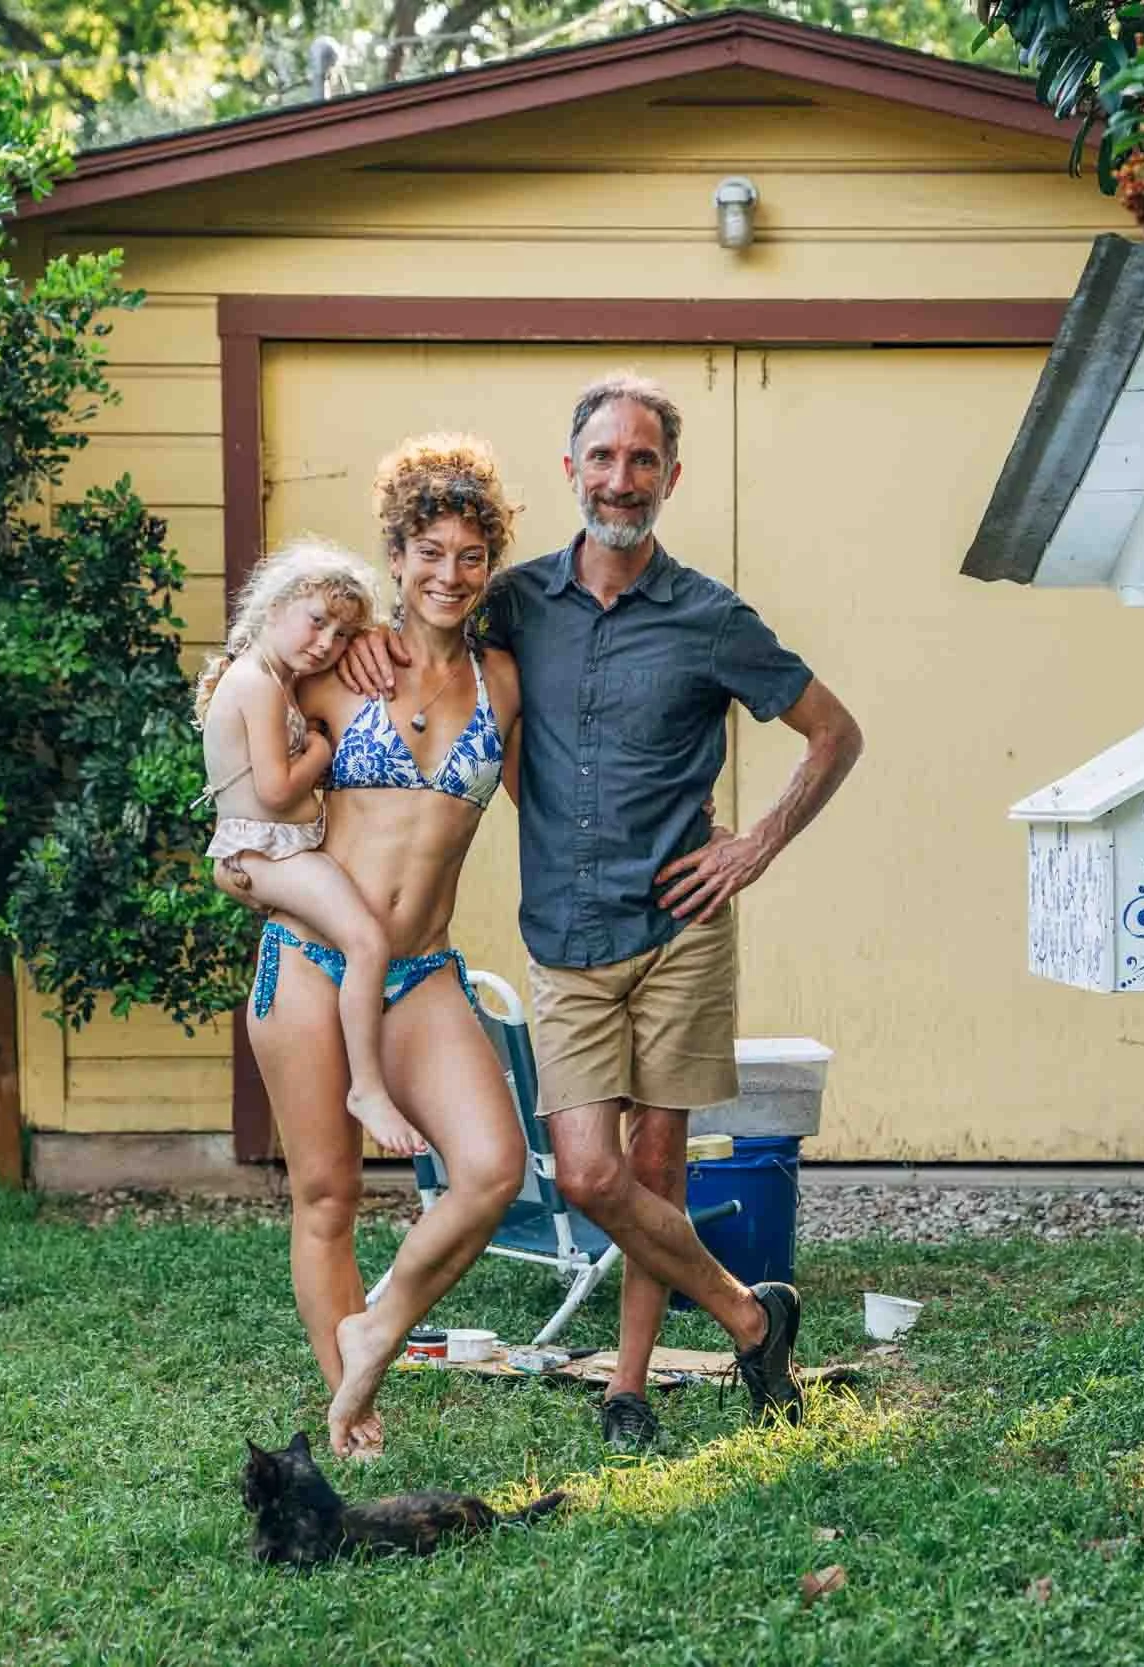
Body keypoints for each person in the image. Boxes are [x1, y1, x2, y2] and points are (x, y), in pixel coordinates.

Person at [345, 373, 863, 1452]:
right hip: (566, 929)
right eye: (601, 457)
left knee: (656, 1168)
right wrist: (357, 642)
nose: (619, 478)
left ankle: (626, 1384)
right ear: (572, 466)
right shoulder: (517, 599)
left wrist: (751, 846)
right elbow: (428, 615)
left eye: (641, 460)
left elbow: (833, 733)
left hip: (679, 925)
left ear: (669, 477)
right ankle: (751, 1316)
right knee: (587, 1171)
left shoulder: (712, 616)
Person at [248, 436, 530, 1458]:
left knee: (493, 1166)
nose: (447, 575)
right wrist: (246, 862)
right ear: (396, 554)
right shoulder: (340, 661)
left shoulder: (503, 682)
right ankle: (352, 1401)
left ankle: (377, 1324)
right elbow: (234, 741)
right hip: (311, 961)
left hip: (420, 971)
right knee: (326, 1191)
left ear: (489, 564)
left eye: (469, 555)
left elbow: (560, 801)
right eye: (428, 552)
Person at [191, 542, 420, 1158]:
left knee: (355, 939)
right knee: (366, 941)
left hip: (263, 851)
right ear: (274, 605)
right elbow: (277, 792)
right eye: (317, 621)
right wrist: (320, 747)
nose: (325, 643)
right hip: (269, 855)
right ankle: (366, 1087)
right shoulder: (260, 686)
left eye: (342, 634)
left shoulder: (267, 676)